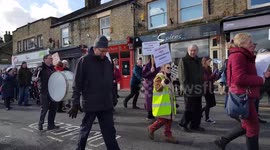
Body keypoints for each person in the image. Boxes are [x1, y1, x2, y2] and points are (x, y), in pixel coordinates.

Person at [215, 33, 270, 150]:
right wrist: (261, 79)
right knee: (253, 127)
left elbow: (245, 74)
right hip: (244, 95)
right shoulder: (238, 56)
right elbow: (239, 78)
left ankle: (222, 141)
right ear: (241, 44)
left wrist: (263, 75)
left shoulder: (242, 55)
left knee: (246, 125)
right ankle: (222, 141)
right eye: (250, 43)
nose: (253, 45)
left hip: (246, 95)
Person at [68, 35, 120, 150]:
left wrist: (113, 97)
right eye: (101, 51)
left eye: (105, 51)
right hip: (90, 103)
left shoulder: (107, 61)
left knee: (110, 133)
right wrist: (75, 103)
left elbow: (109, 81)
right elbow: (77, 84)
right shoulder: (84, 61)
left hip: (106, 104)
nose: (103, 54)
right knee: (84, 132)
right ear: (95, 48)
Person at [147, 63, 178, 144]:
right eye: (168, 67)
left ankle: (168, 135)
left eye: (170, 67)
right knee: (163, 119)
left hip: (169, 103)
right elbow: (157, 88)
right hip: (163, 103)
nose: (170, 69)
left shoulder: (169, 77)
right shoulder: (159, 77)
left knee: (169, 119)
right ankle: (152, 128)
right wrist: (163, 83)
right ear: (163, 68)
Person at [178, 44, 204, 132]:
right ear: (188, 50)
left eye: (194, 50)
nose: (193, 52)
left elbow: (200, 74)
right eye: (191, 50)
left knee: (198, 109)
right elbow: (182, 76)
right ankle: (183, 124)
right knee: (189, 109)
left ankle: (195, 125)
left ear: (197, 51)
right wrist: (185, 88)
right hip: (189, 89)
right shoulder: (184, 60)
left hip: (198, 88)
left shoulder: (198, 60)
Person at [36, 54, 59, 131]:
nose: (52, 60)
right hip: (44, 91)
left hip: (53, 91)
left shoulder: (53, 68)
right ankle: (40, 123)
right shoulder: (40, 68)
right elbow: (34, 77)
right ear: (45, 59)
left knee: (53, 108)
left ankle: (51, 125)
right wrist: (34, 79)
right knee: (45, 108)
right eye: (50, 58)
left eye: (52, 59)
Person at [201, 57, 219, 124]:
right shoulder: (203, 69)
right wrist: (214, 72)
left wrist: (217, 74)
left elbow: (212, 79)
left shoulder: (209, 68)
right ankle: (207, 118)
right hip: (206, 88)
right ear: (205, 61)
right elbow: (207, 79)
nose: (210, 62)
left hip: (210, 88)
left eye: (210, 61)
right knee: (209, 103)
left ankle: (200, 112)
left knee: (213, 103)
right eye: (209, 61)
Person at [142, 56, 161, 120]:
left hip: (156, 84)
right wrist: (150, 71)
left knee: (155, 99)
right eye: (154, 57)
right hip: (149, 85)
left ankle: (154, 112)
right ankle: (149, 113)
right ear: (151, 58)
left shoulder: (158, 65)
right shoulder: (147, 65)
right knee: (149, 99)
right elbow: (143, 75)